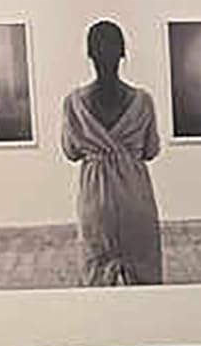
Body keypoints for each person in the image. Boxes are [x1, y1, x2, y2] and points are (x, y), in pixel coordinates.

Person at [60, 20, 163, 286]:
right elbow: (151, 150)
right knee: (145, 278)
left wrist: (97, 149)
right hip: (135, 197)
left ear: (89, 54)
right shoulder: (143, 100)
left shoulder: (73, 103)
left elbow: (71, 152)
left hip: (95, 200)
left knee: (96, 277)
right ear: (123, 53)